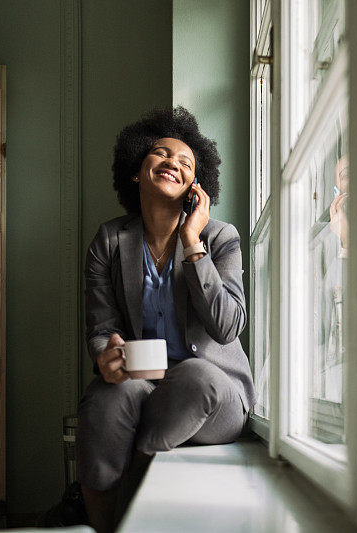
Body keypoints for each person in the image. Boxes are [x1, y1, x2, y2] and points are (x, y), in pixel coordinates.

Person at [76, 107, 256, 532]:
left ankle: (136, 475)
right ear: (137, 171)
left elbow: (227, 326)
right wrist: (107, 354)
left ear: (196, 187)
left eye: (185, 162)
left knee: (198, 375)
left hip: (217, 395)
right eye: (160, 153)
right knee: (104, 399)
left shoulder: (220, 238)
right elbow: (102, 328)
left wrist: (193, 243)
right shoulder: (110, 240)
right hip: (144, 387)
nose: (173, 162)